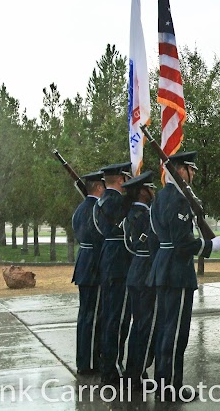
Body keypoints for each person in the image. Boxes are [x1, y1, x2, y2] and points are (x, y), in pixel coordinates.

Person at [147, 150, 220, 399]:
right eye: (191, 170)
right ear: (181, 171)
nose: (193, 175)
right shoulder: (178, 201)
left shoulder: (159, 198)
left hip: (163, 268)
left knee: (164, 329)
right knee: (175, 332)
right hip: (177, 271)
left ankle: (163, 384)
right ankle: (170, 388)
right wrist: (209, 246)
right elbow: (181, 243)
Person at [93, 162, 133, 384]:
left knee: (110, 316)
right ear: (121, 179)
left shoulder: (101, 201)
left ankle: (108, 364)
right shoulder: (117, 202)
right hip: (119, 262)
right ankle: (113, 369)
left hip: (108, 259)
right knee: (118, 319)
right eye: (127, 178)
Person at [123, 170, 158, 387]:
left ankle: (132, 370)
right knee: (147, 326)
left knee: (138, 325)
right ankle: (138, 372)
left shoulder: (128, 215)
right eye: (151, 188)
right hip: (147, 273)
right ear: (143, 192)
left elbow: (129, 245)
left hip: (134, 270)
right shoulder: (148, 216)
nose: (154, 191)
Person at [72, 170, 105, 375]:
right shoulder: (96, 210)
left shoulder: (80, 209)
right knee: (93, 316)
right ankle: (91, 362)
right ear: (99, 187)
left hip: (84, 263)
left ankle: (84, 359)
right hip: (94, 265)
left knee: (85, 315)